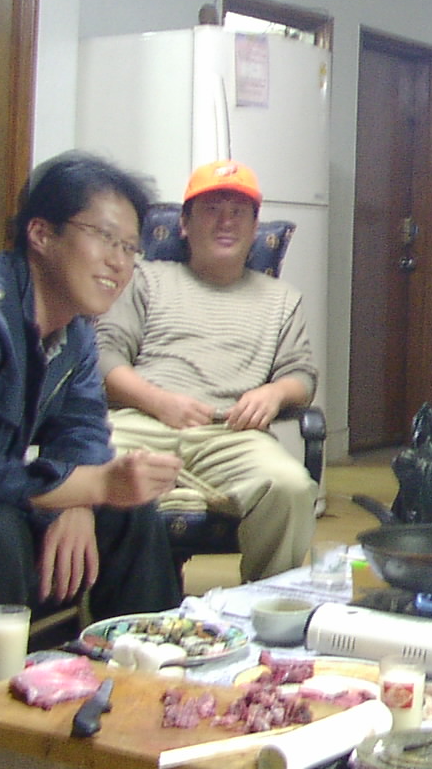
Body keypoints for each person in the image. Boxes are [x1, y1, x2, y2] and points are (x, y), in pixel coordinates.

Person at [0, 152, 183, 678]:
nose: (119, 262)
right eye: (104, 237)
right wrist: (91, 485)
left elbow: (82, 429)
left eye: (130, 247)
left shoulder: (76, 329)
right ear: (41, 234)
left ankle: (151, 679)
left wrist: (82, 499)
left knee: (131, 514)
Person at [96, 159, 318, 581]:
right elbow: (104, 357)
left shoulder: (282, 299)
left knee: (290, 487)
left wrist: (274, 394)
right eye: (212, 210)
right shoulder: (144, 278)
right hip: (140, 422)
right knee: (85, 467)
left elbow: (302, 376)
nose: (226, 222)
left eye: (238, 212)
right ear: (184, 224)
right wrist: (159, 402)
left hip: (230, 434)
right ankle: (109, 609)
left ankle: (265, 605)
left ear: (255, 228)